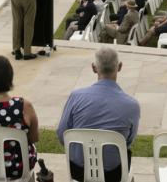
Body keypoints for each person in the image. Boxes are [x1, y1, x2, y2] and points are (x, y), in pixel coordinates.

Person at [57, 48, 140, 182]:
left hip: (79, 171)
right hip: (113, 174)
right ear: (119, 67)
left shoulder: (76, 97)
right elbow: (128, 142)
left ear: (94, 68)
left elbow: (62, 135)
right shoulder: (132, 105)